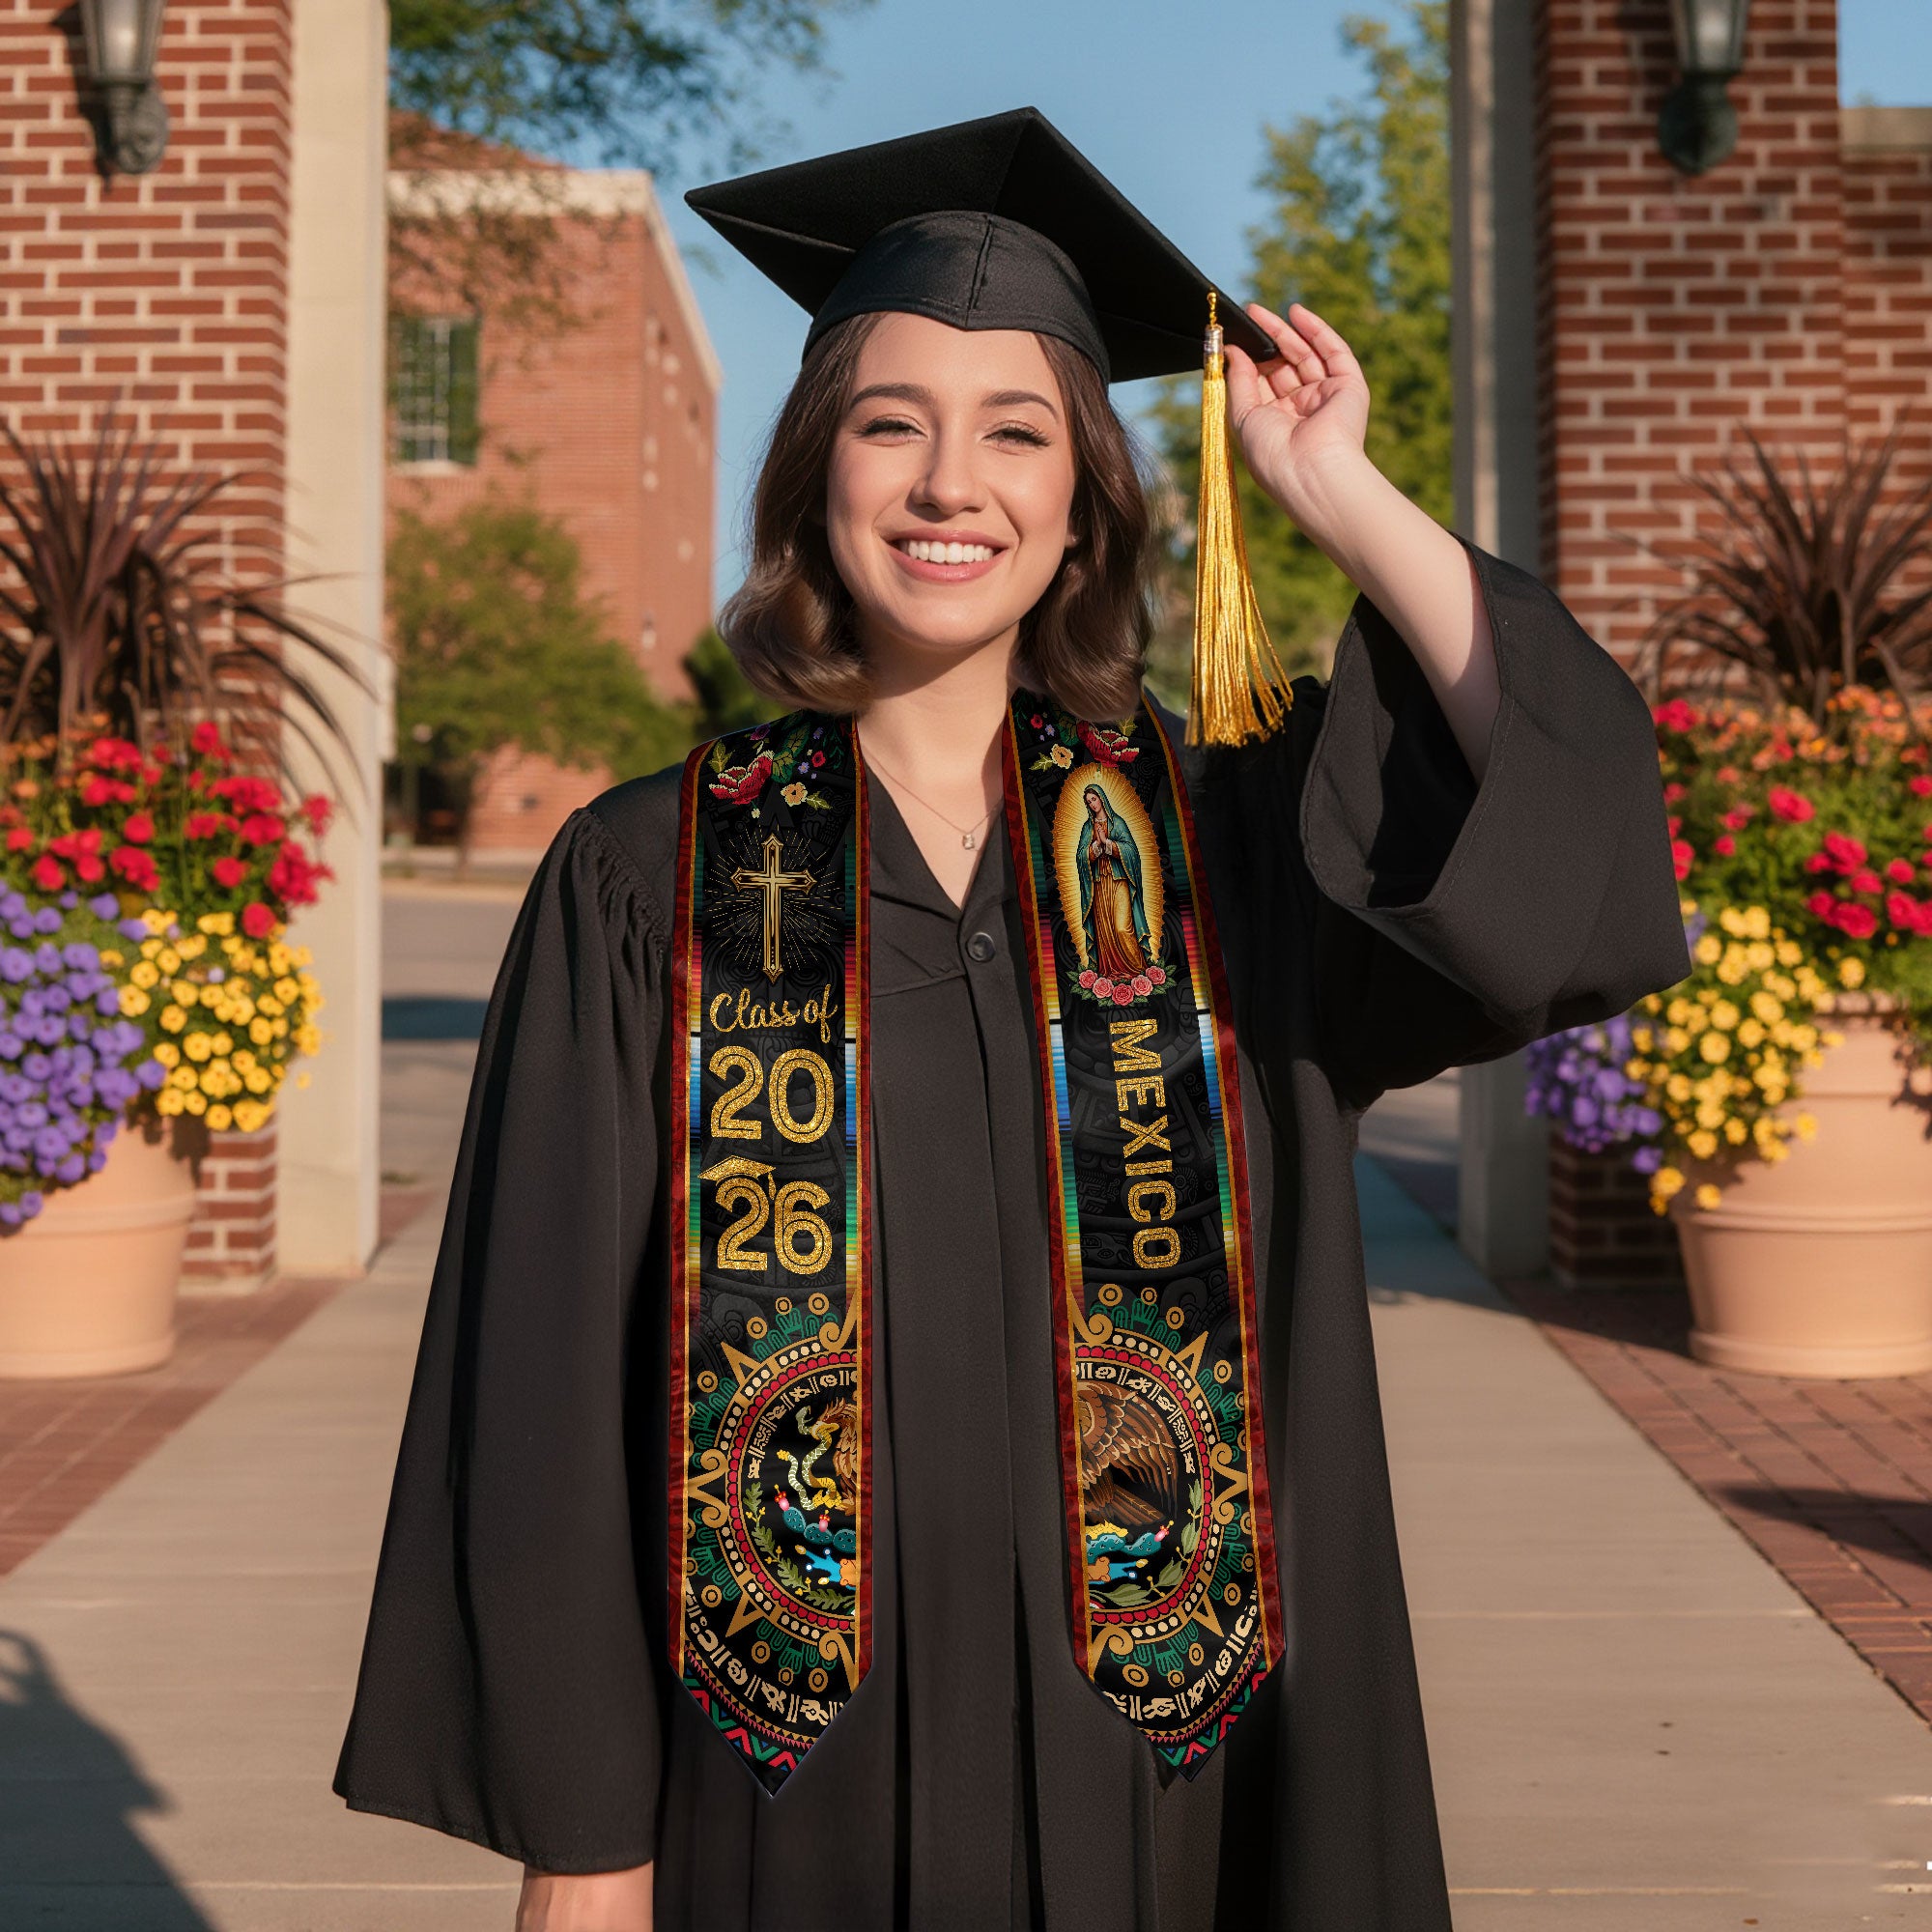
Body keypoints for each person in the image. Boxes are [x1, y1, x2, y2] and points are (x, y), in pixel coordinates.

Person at [332, 108, 1690, 1932]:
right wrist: (585, 1847)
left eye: (1016, 432)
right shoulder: (646, 878)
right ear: (818, 472)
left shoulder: (1233, 860)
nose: (948, 483)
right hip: (777, 1798)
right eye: (892, 424)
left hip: (1183, 1793)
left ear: (1083, 503)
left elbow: (1561, 837)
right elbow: (545, 1387)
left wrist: (1336, 491)